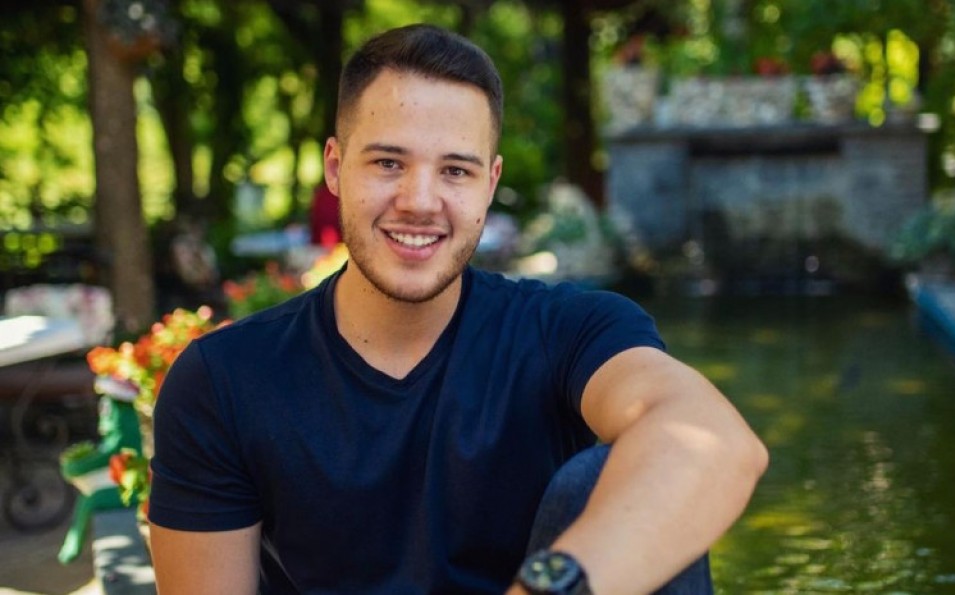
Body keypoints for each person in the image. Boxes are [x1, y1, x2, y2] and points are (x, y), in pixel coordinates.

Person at [147, 24, 768, 595]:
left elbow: (714, 442)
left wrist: (548, 587)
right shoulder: (225, 380)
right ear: (335, 168)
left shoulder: (570, 331)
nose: (420, 201)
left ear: (490, 185)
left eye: (455, 171)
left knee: (620, 477)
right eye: (388, 163)